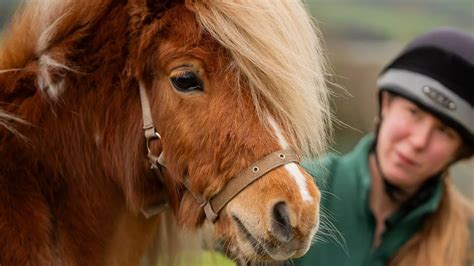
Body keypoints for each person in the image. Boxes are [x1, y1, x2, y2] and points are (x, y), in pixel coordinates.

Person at [295, 28, 473, 266]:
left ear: (459, 152)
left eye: (444, 131)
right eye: (414, 112)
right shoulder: (300, 190)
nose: (419, 141)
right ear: (387, 104)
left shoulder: (467, 242)